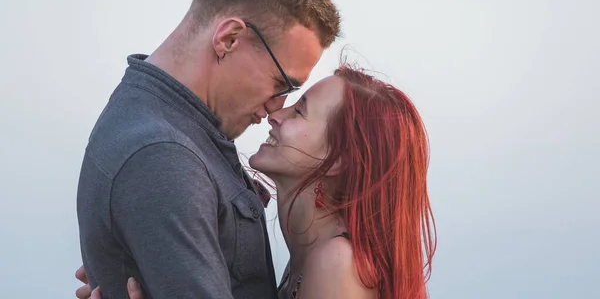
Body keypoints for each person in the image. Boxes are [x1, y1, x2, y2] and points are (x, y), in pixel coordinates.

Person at [76, 0, 341, 299]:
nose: (277, 107)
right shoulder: (163, 156)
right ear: (229, 38)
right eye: (281, 83)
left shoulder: (175, 130)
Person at [77, 65, 437, 299]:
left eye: (299, 111)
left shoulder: (337, 265)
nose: (274, 115)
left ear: (339, 161)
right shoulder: (308, 258)